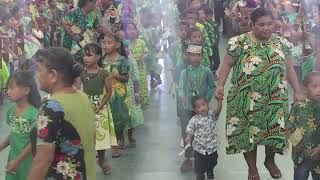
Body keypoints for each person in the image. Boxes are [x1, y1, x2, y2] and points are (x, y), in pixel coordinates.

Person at [215, 8, 305, 180]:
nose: (266, 28)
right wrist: (220, 85)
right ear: (252, 25)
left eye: (270, 24)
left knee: (274, 132)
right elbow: (226, 65)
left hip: (275, 98)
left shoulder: (281, 43)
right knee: (249, 134)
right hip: (245, 98)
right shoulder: (239, 42)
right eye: (261, 24)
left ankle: (269, 161)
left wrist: (298, 91)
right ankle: (252, 169)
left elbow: (289, 68)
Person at [27, 47, 96, 180]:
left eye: (39, 70)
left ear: (53, 75)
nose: (37, 76)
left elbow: (42, 161)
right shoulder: (83, 97)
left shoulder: (51, 106)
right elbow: (91, 137)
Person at [79, 43, 118, 174]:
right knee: (86, 135)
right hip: (86, 106)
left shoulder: (104, 73)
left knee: (100, 138)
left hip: (100, 107)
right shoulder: (81, 73)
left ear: (98, 57)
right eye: (84, 55)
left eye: (89, 55)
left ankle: (101, 160)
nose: (85, 58)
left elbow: (108, 92)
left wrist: (100, 105)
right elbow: (78, 90)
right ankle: (85, 161)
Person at [178, 44, 216, 172]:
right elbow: (181, 88)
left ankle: (206, 157)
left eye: (198, 55)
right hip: (188, 108)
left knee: (204, 132)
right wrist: (182, 96)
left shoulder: (206, 71)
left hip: (202, 110)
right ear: (187, 56)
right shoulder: (184, 72)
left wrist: (206, 99)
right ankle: (188, 158)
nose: (195, 57)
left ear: (202, 56)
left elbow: (212, 86)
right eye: (192, 55)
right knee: (187, 132)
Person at [0, 71, 40, 180]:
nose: (8, 92)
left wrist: (17, 161)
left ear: (26, 90)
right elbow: (14, 132)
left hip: (26, 162)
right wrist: (2, 146)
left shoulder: (34, 114)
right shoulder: (11, 111)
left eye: (12, 88)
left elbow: (33, 142)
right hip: (13, 158)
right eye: (7, 89)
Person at [286, 71, 320, 180]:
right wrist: (296, 143)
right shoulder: (298, 106)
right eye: (315, 86)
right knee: (300, 176)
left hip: (319, 155)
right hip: (301, 156)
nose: (319, 89)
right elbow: (288, 128)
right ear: (305, 89)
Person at [101, 32, 131, 149]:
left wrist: (116, 76)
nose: (106, 45)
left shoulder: (122, 60)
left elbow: (126, 78)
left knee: (118, 116)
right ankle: (106, 140)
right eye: (104, 43)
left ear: (117, 45)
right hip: (104, 91)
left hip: (118, 93)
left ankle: (119, 138)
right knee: (106, 116)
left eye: (109, 43)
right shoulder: (102, 59)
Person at [185, 95, 222, 180]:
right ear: (195, 110)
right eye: (198, 107)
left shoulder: (211, 115)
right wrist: (188, 137)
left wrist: (219, 102)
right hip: (199, 148)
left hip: (212, 147)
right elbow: (190, 129)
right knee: (199, 164)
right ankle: (200, 174)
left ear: (207, 105)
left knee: (213, 161)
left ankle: (210, 169)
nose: (202, 108)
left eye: (203, 104)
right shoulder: (194, 120)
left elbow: (218, 111)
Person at [125, 21, 150, 111]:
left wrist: (143, 56)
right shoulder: (125, 43)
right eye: (129, 29)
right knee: (132, 91)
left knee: (142, 90)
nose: (131, 31)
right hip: (130, 72)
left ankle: (142, 110)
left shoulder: (141, 42)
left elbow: (146, 52)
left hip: (141, 71)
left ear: (136, 30)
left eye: (133, 29)